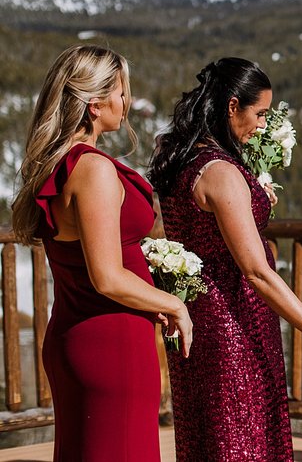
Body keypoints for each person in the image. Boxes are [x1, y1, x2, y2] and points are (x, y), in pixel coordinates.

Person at [148, 58, 302, 462]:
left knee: (206, 437)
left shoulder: (182, 158)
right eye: (259, 113)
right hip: (234, 323)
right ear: (232, 107)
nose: (263, 124)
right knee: (243, 437)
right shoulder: (220, 173)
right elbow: (256, 271)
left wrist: (254, 195)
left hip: (196, 317)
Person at [10, 44, 193, 462]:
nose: (126, 102)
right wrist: (173, 304)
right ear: (95, 103)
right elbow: (107, 276)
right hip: (112, 346)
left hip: (78, 337)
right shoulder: (92, 169)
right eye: (122, 92)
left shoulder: (60, 163)